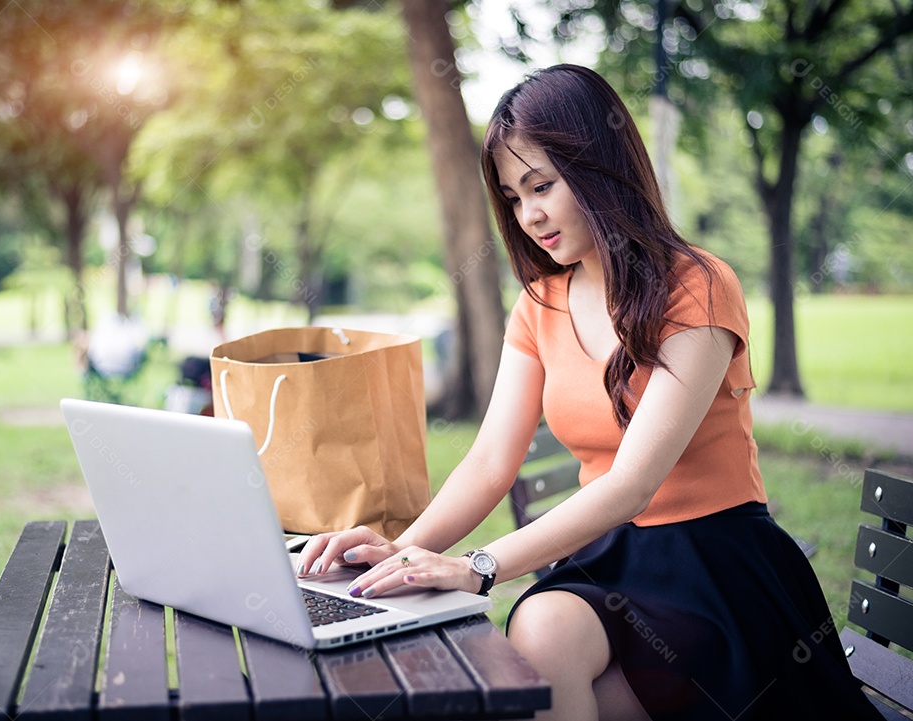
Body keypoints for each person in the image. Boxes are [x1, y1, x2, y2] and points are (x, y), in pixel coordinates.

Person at [297, 65, 881, 720]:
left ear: (601, 167)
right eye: (513, 198)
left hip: (714, 567)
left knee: (542, 668)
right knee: (543, 631)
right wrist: (408, 549)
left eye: (542, 185)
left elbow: (633, 483)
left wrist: (479, 566)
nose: (529, 215)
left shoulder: (699, 286)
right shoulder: (539, 303)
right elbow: (489, 462)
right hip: (611, 558)